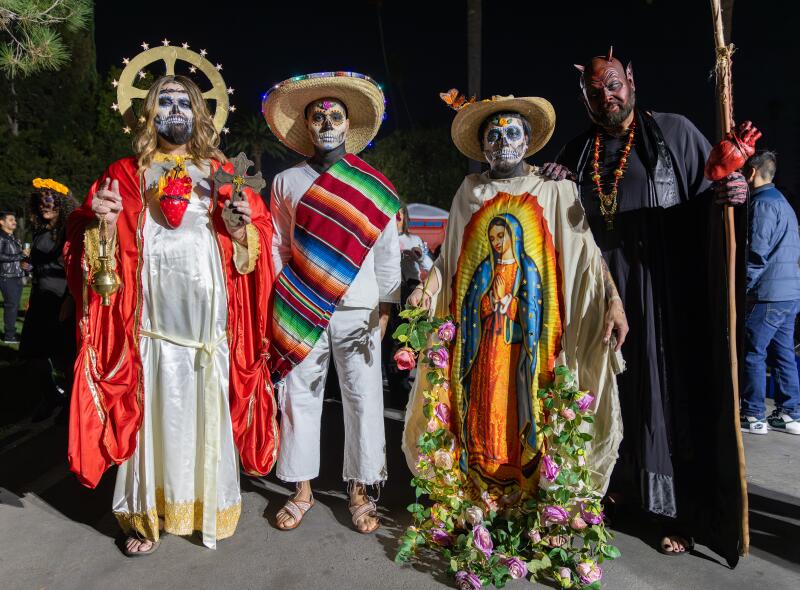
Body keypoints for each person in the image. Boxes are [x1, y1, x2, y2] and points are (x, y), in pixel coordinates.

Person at [540, 50, 752, 563]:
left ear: (630, 80)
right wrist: (551, 178)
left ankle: (672, 515)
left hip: (662, 300)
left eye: (612, 84)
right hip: (599, 302)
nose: (605, 96)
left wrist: (734, 192)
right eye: (594, 91)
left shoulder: (676, 133)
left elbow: (712, 203)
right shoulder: (576, 151)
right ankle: (614, 497)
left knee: (661, 397)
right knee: (609, 397)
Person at [64, 68, 277, 555]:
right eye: (165, 102)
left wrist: (244, 229)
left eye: (184, 102)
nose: (175, 110)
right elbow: (84, 240)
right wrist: (102, 221)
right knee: (157, 409)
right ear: (147, 112)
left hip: (208, 326)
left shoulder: (224, 171)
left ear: (200, 112)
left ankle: (208, 505)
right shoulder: (124, 173)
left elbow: (258, 244)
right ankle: (148, 513)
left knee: (204, 404)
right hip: (152, 328)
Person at [403, 92, 627, 511]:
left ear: (528, 140)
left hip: (535, 339)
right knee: (483, 408)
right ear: (481, 145)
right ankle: (481, 491)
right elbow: (449, 261)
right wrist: (425, 291)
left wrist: (613, 300)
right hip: (482, 340)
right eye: (492, 134)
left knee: (533, 406)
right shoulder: (468, 192)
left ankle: (543, 493)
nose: (502, 141)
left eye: (512, 132)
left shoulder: (553, 188)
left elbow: (587, 255)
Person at [264, 71, 401, 534]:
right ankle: (300, 488)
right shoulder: (285, 182)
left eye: (334, 115)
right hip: (302, 306)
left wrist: (384, 310)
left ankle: (361, 489)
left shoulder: (373, 186)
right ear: (306, 124)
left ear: (347, 125)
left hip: (359, 311)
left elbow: (387, 254)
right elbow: (279, 248)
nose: (326, 122)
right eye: (317, 115)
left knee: (363, 398)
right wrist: (287, 300)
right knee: (298, 396)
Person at [740, 151, 800, 435]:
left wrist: (743, 287)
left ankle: (753, 415)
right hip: (789, 293)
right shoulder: (784, 203)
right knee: (783, 353)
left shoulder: (762, 204)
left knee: (753, 351)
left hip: (768, 294)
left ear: (751, 172)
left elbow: (757, 253)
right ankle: (790, 414)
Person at [19, 179, 78, 420]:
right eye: (41, 201)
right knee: (34, 354)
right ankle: (52, 396)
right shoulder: (40, 230)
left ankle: (71, 405)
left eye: (50, 200)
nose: (45, 205)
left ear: (61, 203)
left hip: (62, 299)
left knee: (65, 356)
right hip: (41, 299)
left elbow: (76, 268)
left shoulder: (70, 230)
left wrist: (70, 300)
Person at [0, 211, 26, 344]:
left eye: (15, 219)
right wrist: (20, 256)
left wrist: (25, 264)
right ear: (2, 222)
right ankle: (9, 336)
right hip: (7, 276)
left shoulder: (11, 237)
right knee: (11, 306)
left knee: (14, 306)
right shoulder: (1, 237)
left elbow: (16, 258)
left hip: (15, 275)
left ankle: (10, 333)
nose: (14, 222)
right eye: (11, 220)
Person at [397, 206, 433, 296]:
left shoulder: (415, 240)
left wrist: (419, 257)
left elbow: (431, 268)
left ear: (405, 217)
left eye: (399, 213)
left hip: (410, 289)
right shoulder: (382, 240)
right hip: (388, 291)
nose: (396, 216)